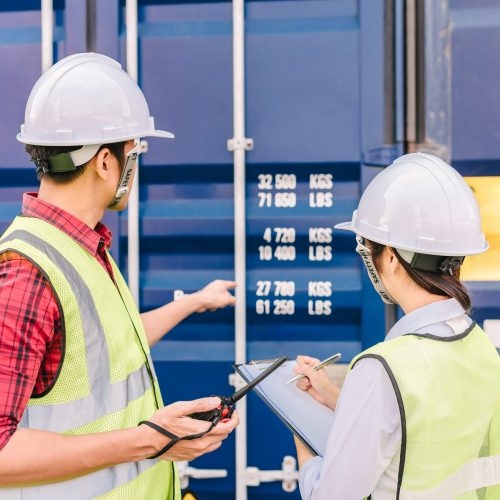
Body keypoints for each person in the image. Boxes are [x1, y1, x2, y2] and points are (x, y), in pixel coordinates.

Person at [0, 53, 239, 498]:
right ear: (106, 163)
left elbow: (104, 352)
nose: (137, 166)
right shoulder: (26, 273)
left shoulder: (83, 248)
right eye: (136, 151)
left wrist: (193, 301)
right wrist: (150, 440)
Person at [293, 153, 500, 499]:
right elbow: (427, 433)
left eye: (366, 247)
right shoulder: (482, 349)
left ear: (390, 255)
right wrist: (336, 398)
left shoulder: (383, 369)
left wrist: (301, 432)